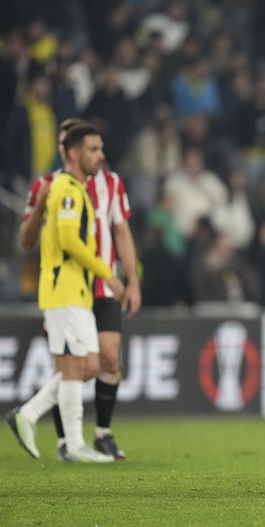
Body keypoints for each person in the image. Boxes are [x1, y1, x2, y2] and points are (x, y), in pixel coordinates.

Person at [18, 117, 141, 460]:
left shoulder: (110, 183)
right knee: (72, 365)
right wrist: (39, 208)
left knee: (104, 360)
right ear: (70, 151)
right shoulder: (53, 185)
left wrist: (131, 279)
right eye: (92, 148)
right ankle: (65, 440)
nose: (100, 155)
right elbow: (28, 240)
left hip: (97, 289)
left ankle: (98, 433)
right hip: (68, 286)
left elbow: (121, 231)